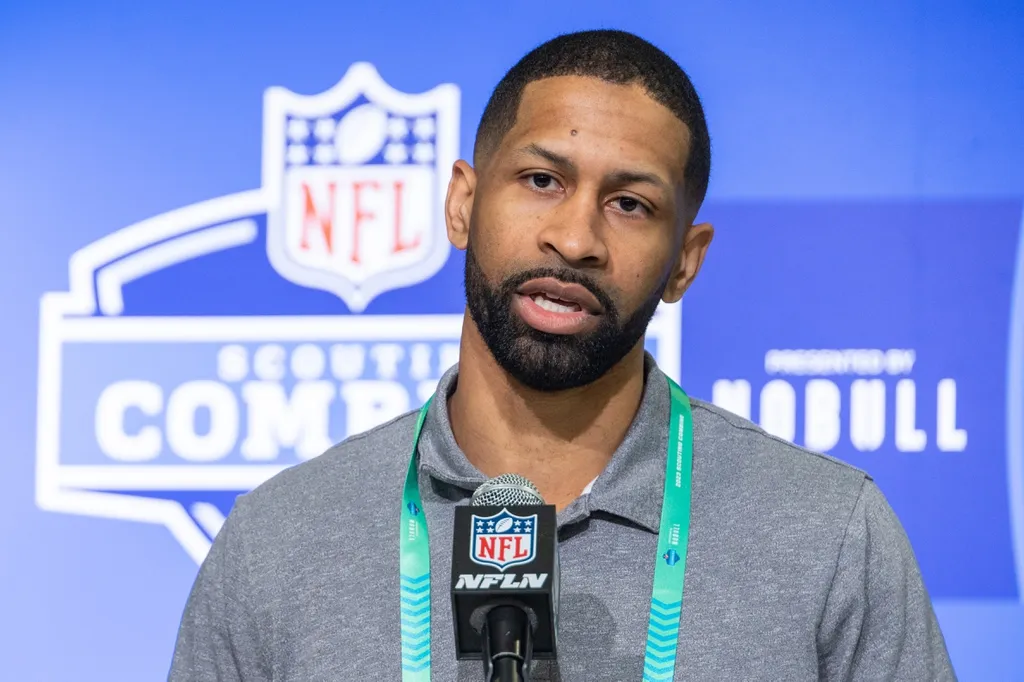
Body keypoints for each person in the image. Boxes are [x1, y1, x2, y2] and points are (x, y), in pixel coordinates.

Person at [168, 29, 956, 681]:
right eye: (543, 179)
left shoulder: (827, 533)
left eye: (630, 204)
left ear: (686, 260)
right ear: (463, 204)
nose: (575, 239)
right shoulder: (279, 542)